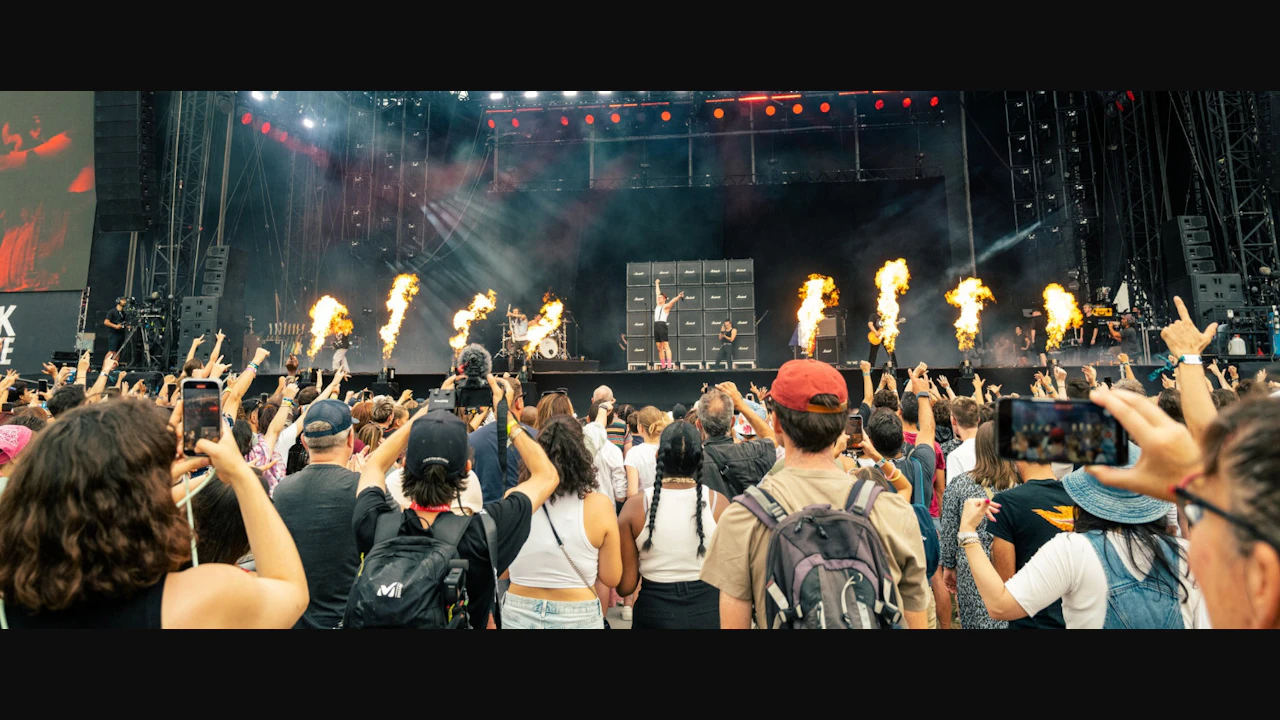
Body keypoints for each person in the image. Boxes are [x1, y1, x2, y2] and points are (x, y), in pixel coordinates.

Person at [0, 400, 309, 628]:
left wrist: (153, 481)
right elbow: (290, 591)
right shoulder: (197, 600)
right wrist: (240, 474)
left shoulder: (15, 593)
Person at [700, 359, 932, 629]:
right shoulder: (895, 512)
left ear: (776, 424)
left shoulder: (741, 518)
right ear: (843, 427)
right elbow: (916, 622)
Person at [352, 376, 562, 629]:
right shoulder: (484, 532)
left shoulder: (375, 524)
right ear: (467, 468)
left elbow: (375, 464)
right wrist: (504, 416)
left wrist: (428, 410)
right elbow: (546, 475)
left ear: (405, 467)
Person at [956, 446, 1208, 628]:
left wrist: (968, 533)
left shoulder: (1074, 549)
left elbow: (1001, 606)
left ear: (1091, 497)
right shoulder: (1188, 555)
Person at [503, 415, 622, 629]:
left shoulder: (515, 496)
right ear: (582, 456)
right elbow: (612, 577)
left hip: (519, 608)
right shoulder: (599, 505)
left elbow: (502, 570)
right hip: (578, 612)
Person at [618, 421, 728, 628]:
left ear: (657, 455)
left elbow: (626, 586)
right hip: (709, 609)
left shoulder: (635, 508)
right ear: (699, 458)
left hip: (654, 612)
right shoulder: (719, 504)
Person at [270, 399, 363, 629]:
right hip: (348, 619)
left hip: (295, 620)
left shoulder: (282, 491)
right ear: (351, 439)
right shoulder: (364, 490)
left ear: (303, 441)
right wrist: (366, 483)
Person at [939, 422, 1021, 629]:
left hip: (973, 569)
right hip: (1015, 567)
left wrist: (949, 567)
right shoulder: (1021, 484)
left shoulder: (959, 485)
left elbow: (949, 532)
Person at [985, 443, 1073, 629]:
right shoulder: (1078, 498)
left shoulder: (1006, 503)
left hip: (1029, 620)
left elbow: (1006, 584)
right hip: (1076, 618)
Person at [695, 384, 775, 499]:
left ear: (698, 424)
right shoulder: (753, 452)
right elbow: (772, 439)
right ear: (733, 422)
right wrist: (741, 405)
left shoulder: (690, 462)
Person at [470, 374, 536, 504]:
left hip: (485, 518)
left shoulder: (472, 440)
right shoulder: (536, 438)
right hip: (527, 515)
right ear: (519, 402)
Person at [624, 406, 669, 497]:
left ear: (640, 428)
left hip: (643, 506)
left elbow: (632, 493)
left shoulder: (634, 453)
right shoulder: (671, 449)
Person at [945, 396, 981, 485]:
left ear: (953, 420)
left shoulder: (955, 456)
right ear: (978, 419)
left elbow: (953, 495)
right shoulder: (997, 447)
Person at [652, 278, 684, 371]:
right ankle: (663, 365)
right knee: (659, 347)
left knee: (665, 345)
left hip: (662, 325)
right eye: (658, 298)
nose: (658, 298)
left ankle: (669, 365)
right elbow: (657, 292)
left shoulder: (665, 306)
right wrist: (657, 283)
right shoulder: (658, 305)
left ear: (664, 299)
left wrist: (678, 297)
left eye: (661, 298)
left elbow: (672, 301)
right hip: (656, 326)